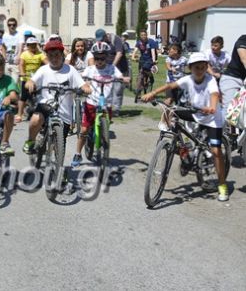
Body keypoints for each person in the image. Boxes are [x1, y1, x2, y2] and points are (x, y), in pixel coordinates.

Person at [142, 52, 230, 202]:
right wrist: (153, 93)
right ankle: (182, 150)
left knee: (216, 151)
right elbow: (170, 85)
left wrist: (212, 107)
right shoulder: (188, 79)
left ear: (206, 67)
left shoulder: (210, 81)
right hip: (196, 113)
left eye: (203, 67)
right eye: (197, 67)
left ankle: (222, 185)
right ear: (191, 68)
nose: (200, 70)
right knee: (173, 112)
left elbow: (214, 94)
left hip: (212, 118)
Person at [23, 39, 91, 155]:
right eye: (51, 56)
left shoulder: (70, 70)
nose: (54, 58)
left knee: (59, 146)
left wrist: (86, 88)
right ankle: (31, 140)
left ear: (62, 55)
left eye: (57, 55)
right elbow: (32, 81)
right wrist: (30, 83)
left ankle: (58, 169)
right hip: (45, 106)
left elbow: (82, 84)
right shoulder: (43, 70)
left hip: (64, 113)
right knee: (35, 119)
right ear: (47, 56)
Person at [72, 41, 127, 166]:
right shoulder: (90, 69)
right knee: (84, 129)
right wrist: (79, 83)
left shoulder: (112, 68)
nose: (99, 60)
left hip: (106, 104)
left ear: (107, 57)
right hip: (92, 102)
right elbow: (80, 76)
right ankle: (78, 153)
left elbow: (120, 76)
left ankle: (103, 144)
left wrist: (124, 79)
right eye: (97, 58)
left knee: (105, 128)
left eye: (102, 58)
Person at [16, 37, 47, 122]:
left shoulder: (40, 54)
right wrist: (22, 72)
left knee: (40, 95)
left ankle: (41, 113)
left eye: (34, 44)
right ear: (27, 45)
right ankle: (19, 115)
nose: (33, 46)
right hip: (26, 78)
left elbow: (46, 62)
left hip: (36, 79)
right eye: (31, 45)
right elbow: (21, 64)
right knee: (23, 97)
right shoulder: (24, 54)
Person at [220, 34, 246, 124]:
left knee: (240, 113)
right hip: (232, 79)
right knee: (230, 111)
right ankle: (215, 135)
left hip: (244, 82)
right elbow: (244, 59)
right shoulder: (243, 40)